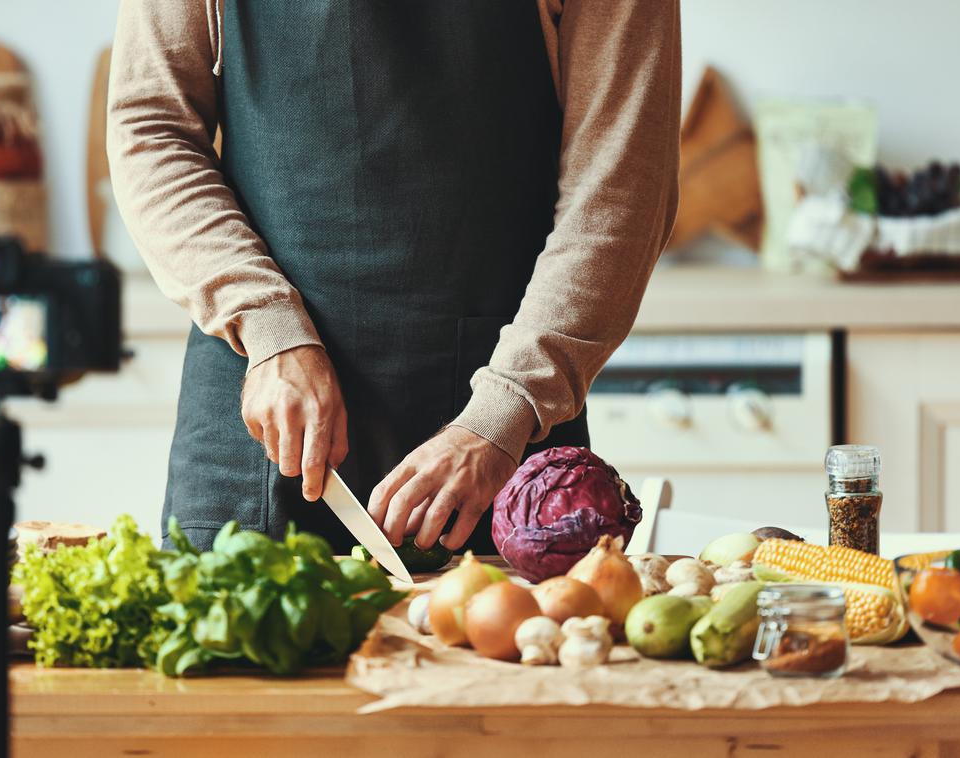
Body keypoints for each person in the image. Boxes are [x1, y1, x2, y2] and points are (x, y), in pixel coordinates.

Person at [108, 0, 680, 554]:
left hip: (495, 437)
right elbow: (151, 126)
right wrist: (268, 328)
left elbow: (621, 185)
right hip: (260, 399)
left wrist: (502, 412)